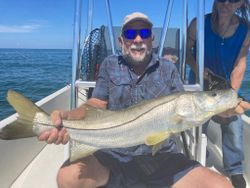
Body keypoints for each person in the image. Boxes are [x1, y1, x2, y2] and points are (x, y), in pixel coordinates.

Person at [38, 12, 244, 188]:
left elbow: (191, 112)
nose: (138, 39)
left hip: (163, 157)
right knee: (67, 177)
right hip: (114, 156)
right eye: (130, 34)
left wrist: (222, 111)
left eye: (144, 33)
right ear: (121, 41)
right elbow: (95, 105)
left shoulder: (168, 68)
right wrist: (67, 117)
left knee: (221, 185)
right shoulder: (110, 65)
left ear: (151, 39)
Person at [186, 0, 250, 187]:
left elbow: (240, 64)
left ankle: (235, 169)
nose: (226, 3)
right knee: (196, 126)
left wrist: (233, 95)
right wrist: (197, 68)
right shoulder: (198, 24)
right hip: (199, 84)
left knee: (233, 124)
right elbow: (187, 54)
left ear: (241, 3)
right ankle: (196, 160)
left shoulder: (246, 30)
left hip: (225, 85)